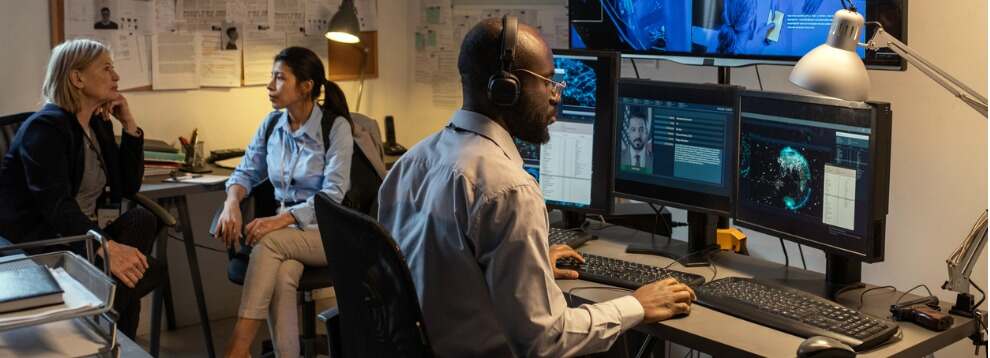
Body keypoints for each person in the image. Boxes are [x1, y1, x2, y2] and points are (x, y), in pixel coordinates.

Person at [377, 17, 696, 356]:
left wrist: (529, 263)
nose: (555, 95)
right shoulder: (509, 189)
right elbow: (546, 341)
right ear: (506, 88)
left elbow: (441, 270)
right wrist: (636, 304)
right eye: (546, 81)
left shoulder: (413, 161)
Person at [0, 38, 161, 339]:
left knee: (143, 219)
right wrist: (109, 247)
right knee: (145, 275)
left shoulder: (96, 125)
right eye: (107, 68)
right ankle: (110, 327)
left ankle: (100, 312)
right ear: (77, 78)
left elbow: (127, 185)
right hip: (47, 238)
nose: (117, 77)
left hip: (86, 233)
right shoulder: (44, 129)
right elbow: (56, 208)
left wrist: (129, 125)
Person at [215, 46, 354, 358]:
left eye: (279, 78)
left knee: (269, 244)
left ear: (306, 86)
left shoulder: (335, 128)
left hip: (328, 232)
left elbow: (332, 195)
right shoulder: (271, 126)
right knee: (281, 274)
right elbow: (245, 172)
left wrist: (278, 221)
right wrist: (231, 203)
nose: (270, 86)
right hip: (287, 237)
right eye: (271, 77)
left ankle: (237, 348)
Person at [621, 107, 652, 173]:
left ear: (646, 132)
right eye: (633, 129)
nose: (637, 135)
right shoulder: (619, 158)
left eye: (641, 129)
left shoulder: (654, 159)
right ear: (628, 133)